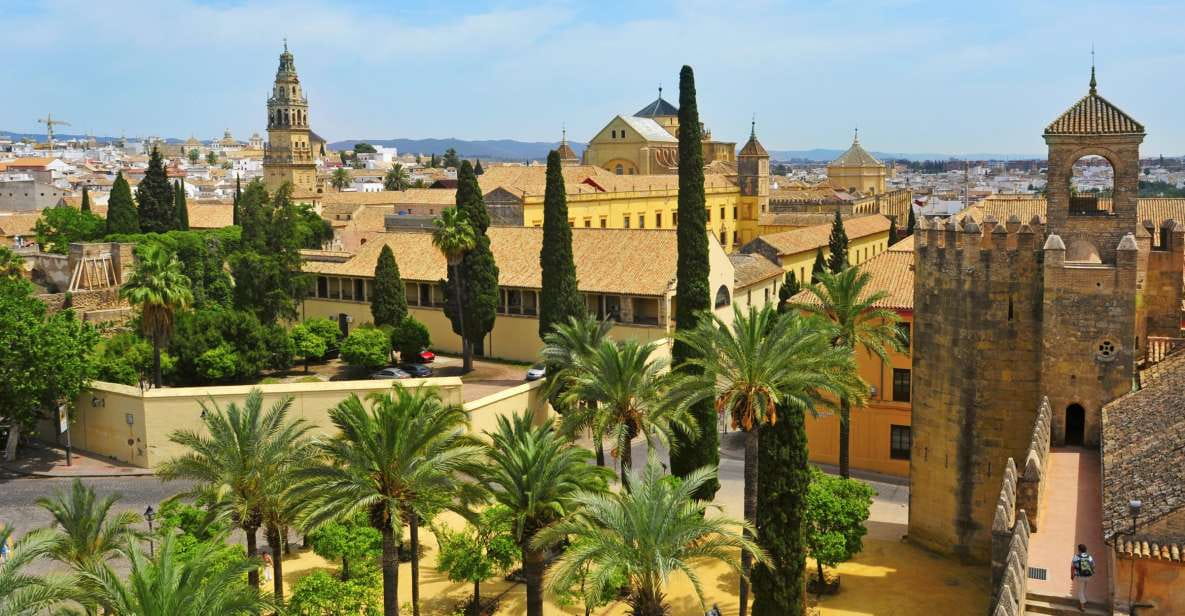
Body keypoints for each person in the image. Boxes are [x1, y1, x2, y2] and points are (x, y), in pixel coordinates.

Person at [1070, 543, 1094, 612]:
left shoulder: (1076, 557)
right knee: (1083, 589)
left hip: (1080, 576)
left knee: (1080, 591)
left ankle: (1082, 607)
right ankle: (1082, 602)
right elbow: (1093, 565)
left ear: (1079, 550)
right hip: (1088, 576)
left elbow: (1072, 567)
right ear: (1085, 550)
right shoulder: (1089, 556)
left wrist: (1072, 575)